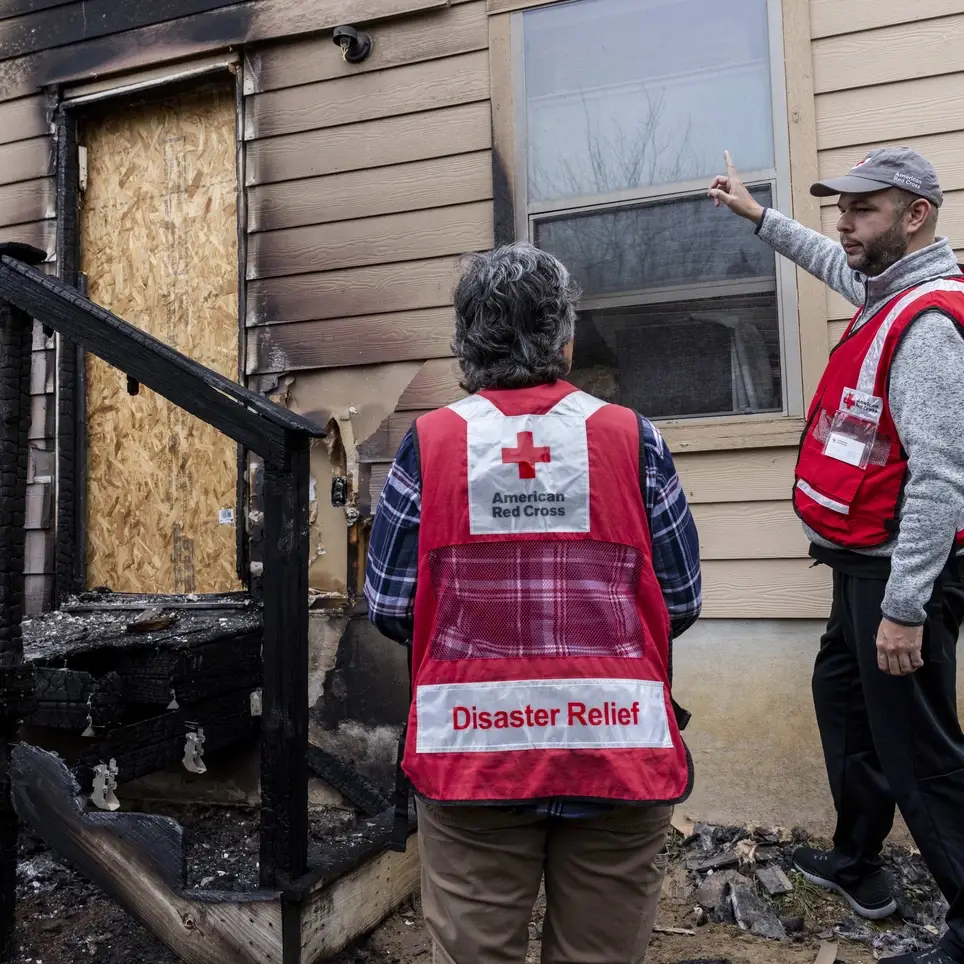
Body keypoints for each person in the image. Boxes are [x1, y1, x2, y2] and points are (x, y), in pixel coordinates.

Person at [364, 242, 702, 964]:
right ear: (566, 337)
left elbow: (391, 606)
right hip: (616, 756)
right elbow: (680, 598)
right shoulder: (634, 439)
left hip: (473, 760)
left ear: (465, 342)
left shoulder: (429, 444)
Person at [709, 147, 964, 964]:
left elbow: (942, 478)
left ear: (915, 215)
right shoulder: (889, 292)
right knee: (846, 705)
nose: (843, 224)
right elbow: (827, 257)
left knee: (920, 755)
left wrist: (903, 609)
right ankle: (861, 866)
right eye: (840, 208)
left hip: (899, 575)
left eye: (863, 210)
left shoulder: (927, 321)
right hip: (859, 565)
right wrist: (759, 218)